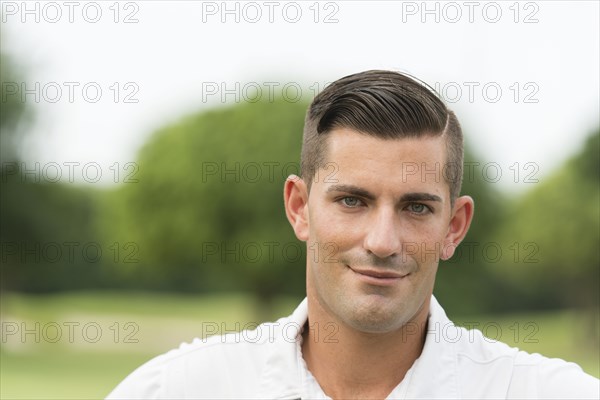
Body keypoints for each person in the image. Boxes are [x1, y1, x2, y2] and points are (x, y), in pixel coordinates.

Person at [107, 70, 599, 399]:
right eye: (352, 201)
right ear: (299, 208)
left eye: (416, 207)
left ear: (454, 226)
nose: (383, 241)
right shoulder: (177, 390)